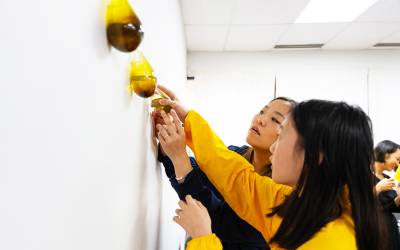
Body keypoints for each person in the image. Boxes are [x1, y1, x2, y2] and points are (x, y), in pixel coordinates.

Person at [156, 98, 385, 250]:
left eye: (282, 133)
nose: (275, 147)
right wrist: (189, 121)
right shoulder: (298, 203)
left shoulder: (331, 242)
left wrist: (203, 238)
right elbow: (239, 179)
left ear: (316, 156)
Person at [153, 85, 295, 250]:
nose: (260, 119)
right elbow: (202, 173)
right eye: (262, 111)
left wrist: (178, 156)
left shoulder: (278, 195)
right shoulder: (237, 154)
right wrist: (172, 141)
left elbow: (218, 220)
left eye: (276, 120)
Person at [374, 140, 400, 250]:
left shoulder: (387, 178)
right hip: (375, 230)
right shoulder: (364, 175)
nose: (398, 164)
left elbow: (389, 207)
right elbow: (358, 203)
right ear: (386, 155)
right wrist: (378, 188)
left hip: (390, 228)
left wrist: (398, 199)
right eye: (397, 159)